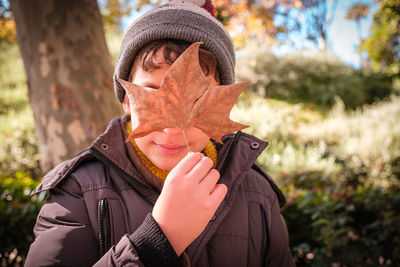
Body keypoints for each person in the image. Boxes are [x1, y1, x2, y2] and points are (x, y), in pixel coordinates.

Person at [25, 0, 295, 266]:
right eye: (152, 96)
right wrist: (159, 239)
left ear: (222, 106)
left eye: (197, 101)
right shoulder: (79, 190)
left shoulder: (257, 193)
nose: (173, 127)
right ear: (127, 100)